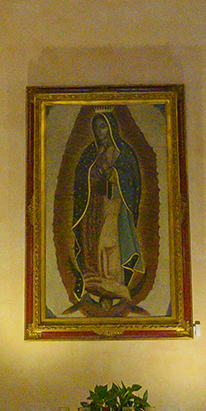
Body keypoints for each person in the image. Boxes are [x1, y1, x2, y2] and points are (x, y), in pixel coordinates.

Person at [70, 110, 143, 305]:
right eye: (96, 128)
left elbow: (132, 180)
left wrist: (114, 175)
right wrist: (93, 174)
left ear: (111, 127)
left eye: (102, 127)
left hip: (115, 204)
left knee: (109, 241)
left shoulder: (124, 152)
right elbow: (81, 180)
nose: (99, 132)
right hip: (94, 206)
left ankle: (114, 281)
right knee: (94, 242)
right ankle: (98, 279)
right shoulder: (90, 153)